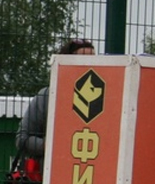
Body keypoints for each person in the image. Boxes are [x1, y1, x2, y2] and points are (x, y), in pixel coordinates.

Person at [15, 38, 97, 170]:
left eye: (94, 59)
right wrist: (53, 146)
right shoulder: (48, 96)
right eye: (82, 59)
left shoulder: (104, 97)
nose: (89, 64)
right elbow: (22, 139)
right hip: (52, 174)